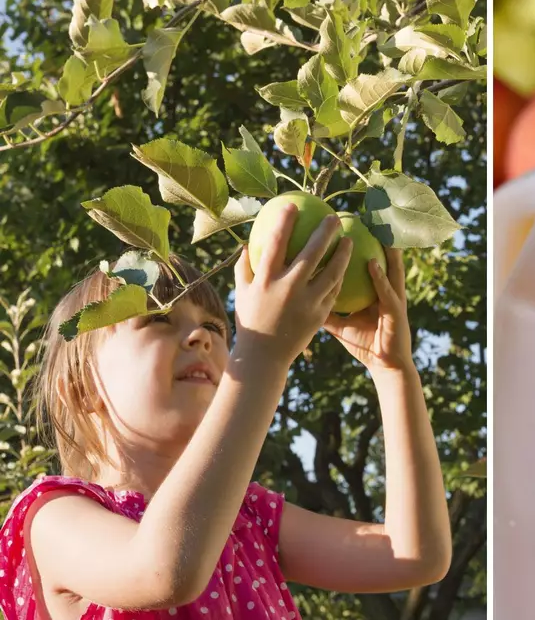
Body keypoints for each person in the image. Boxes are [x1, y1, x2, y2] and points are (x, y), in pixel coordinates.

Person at [0, 205, 452, 619]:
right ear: (81, 389)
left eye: (216, 326)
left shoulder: (249, 517)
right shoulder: (54, 518)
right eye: (159, 318)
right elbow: (164, 570)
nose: (201, 336)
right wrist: (262, 356)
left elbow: (414, 554)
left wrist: (393, 371)